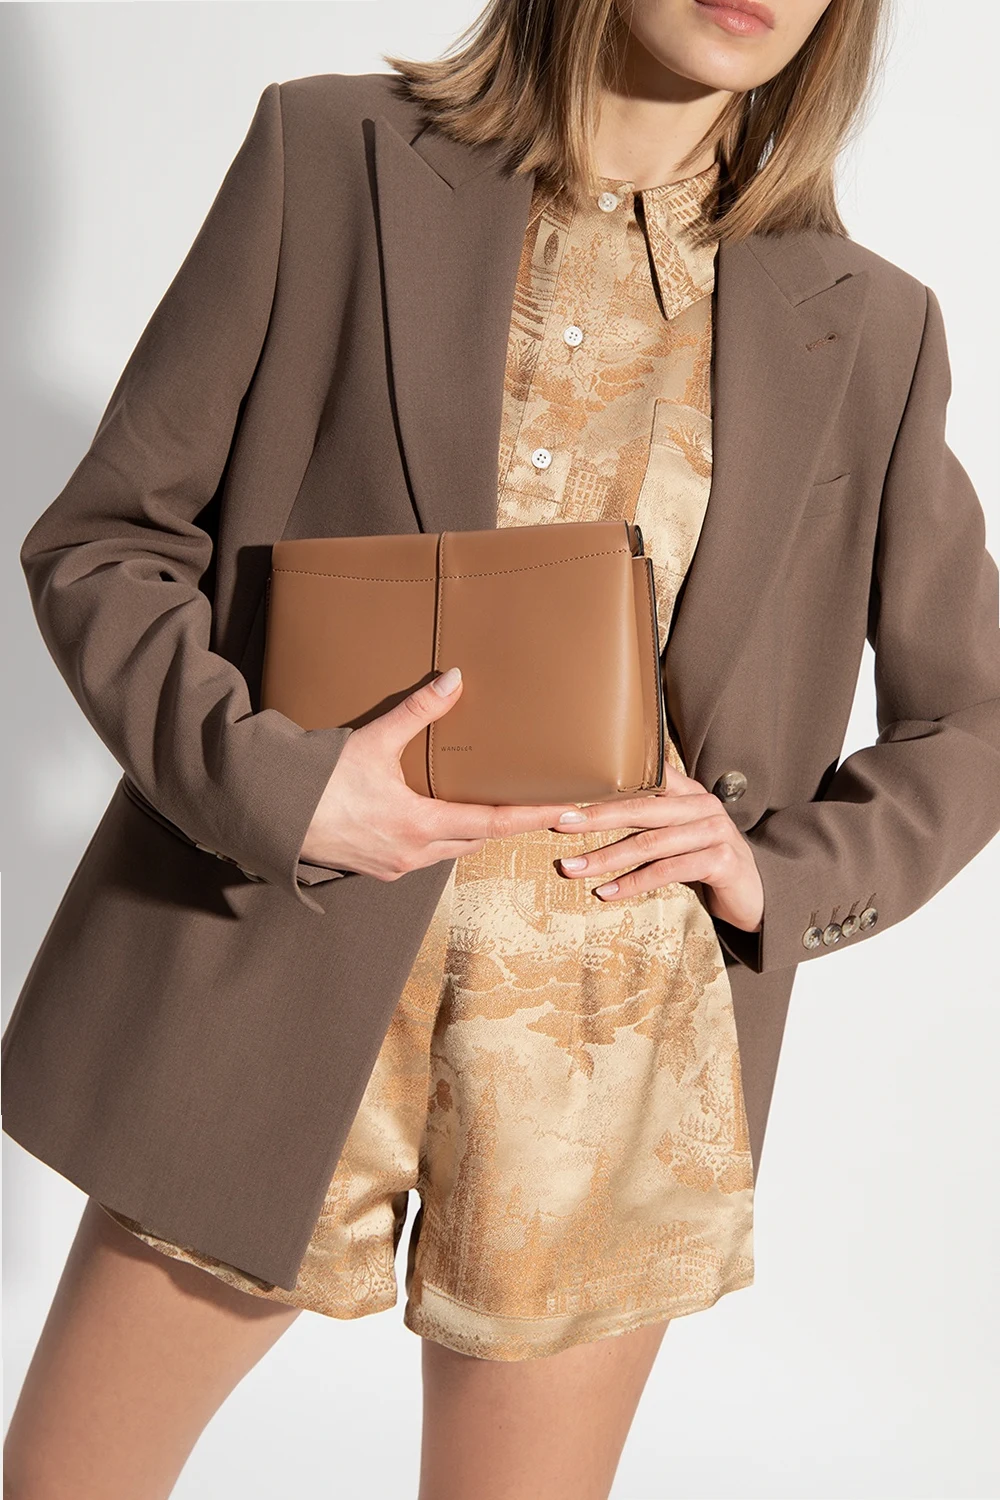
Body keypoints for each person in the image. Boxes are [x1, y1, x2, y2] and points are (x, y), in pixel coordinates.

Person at [4, 0, 999, 1496]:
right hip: (274, 974)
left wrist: (779, 873)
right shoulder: (332, 154)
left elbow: (976, 712)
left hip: (612, 1049)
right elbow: (106, 545)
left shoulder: (870, 323)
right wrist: (283, 785)